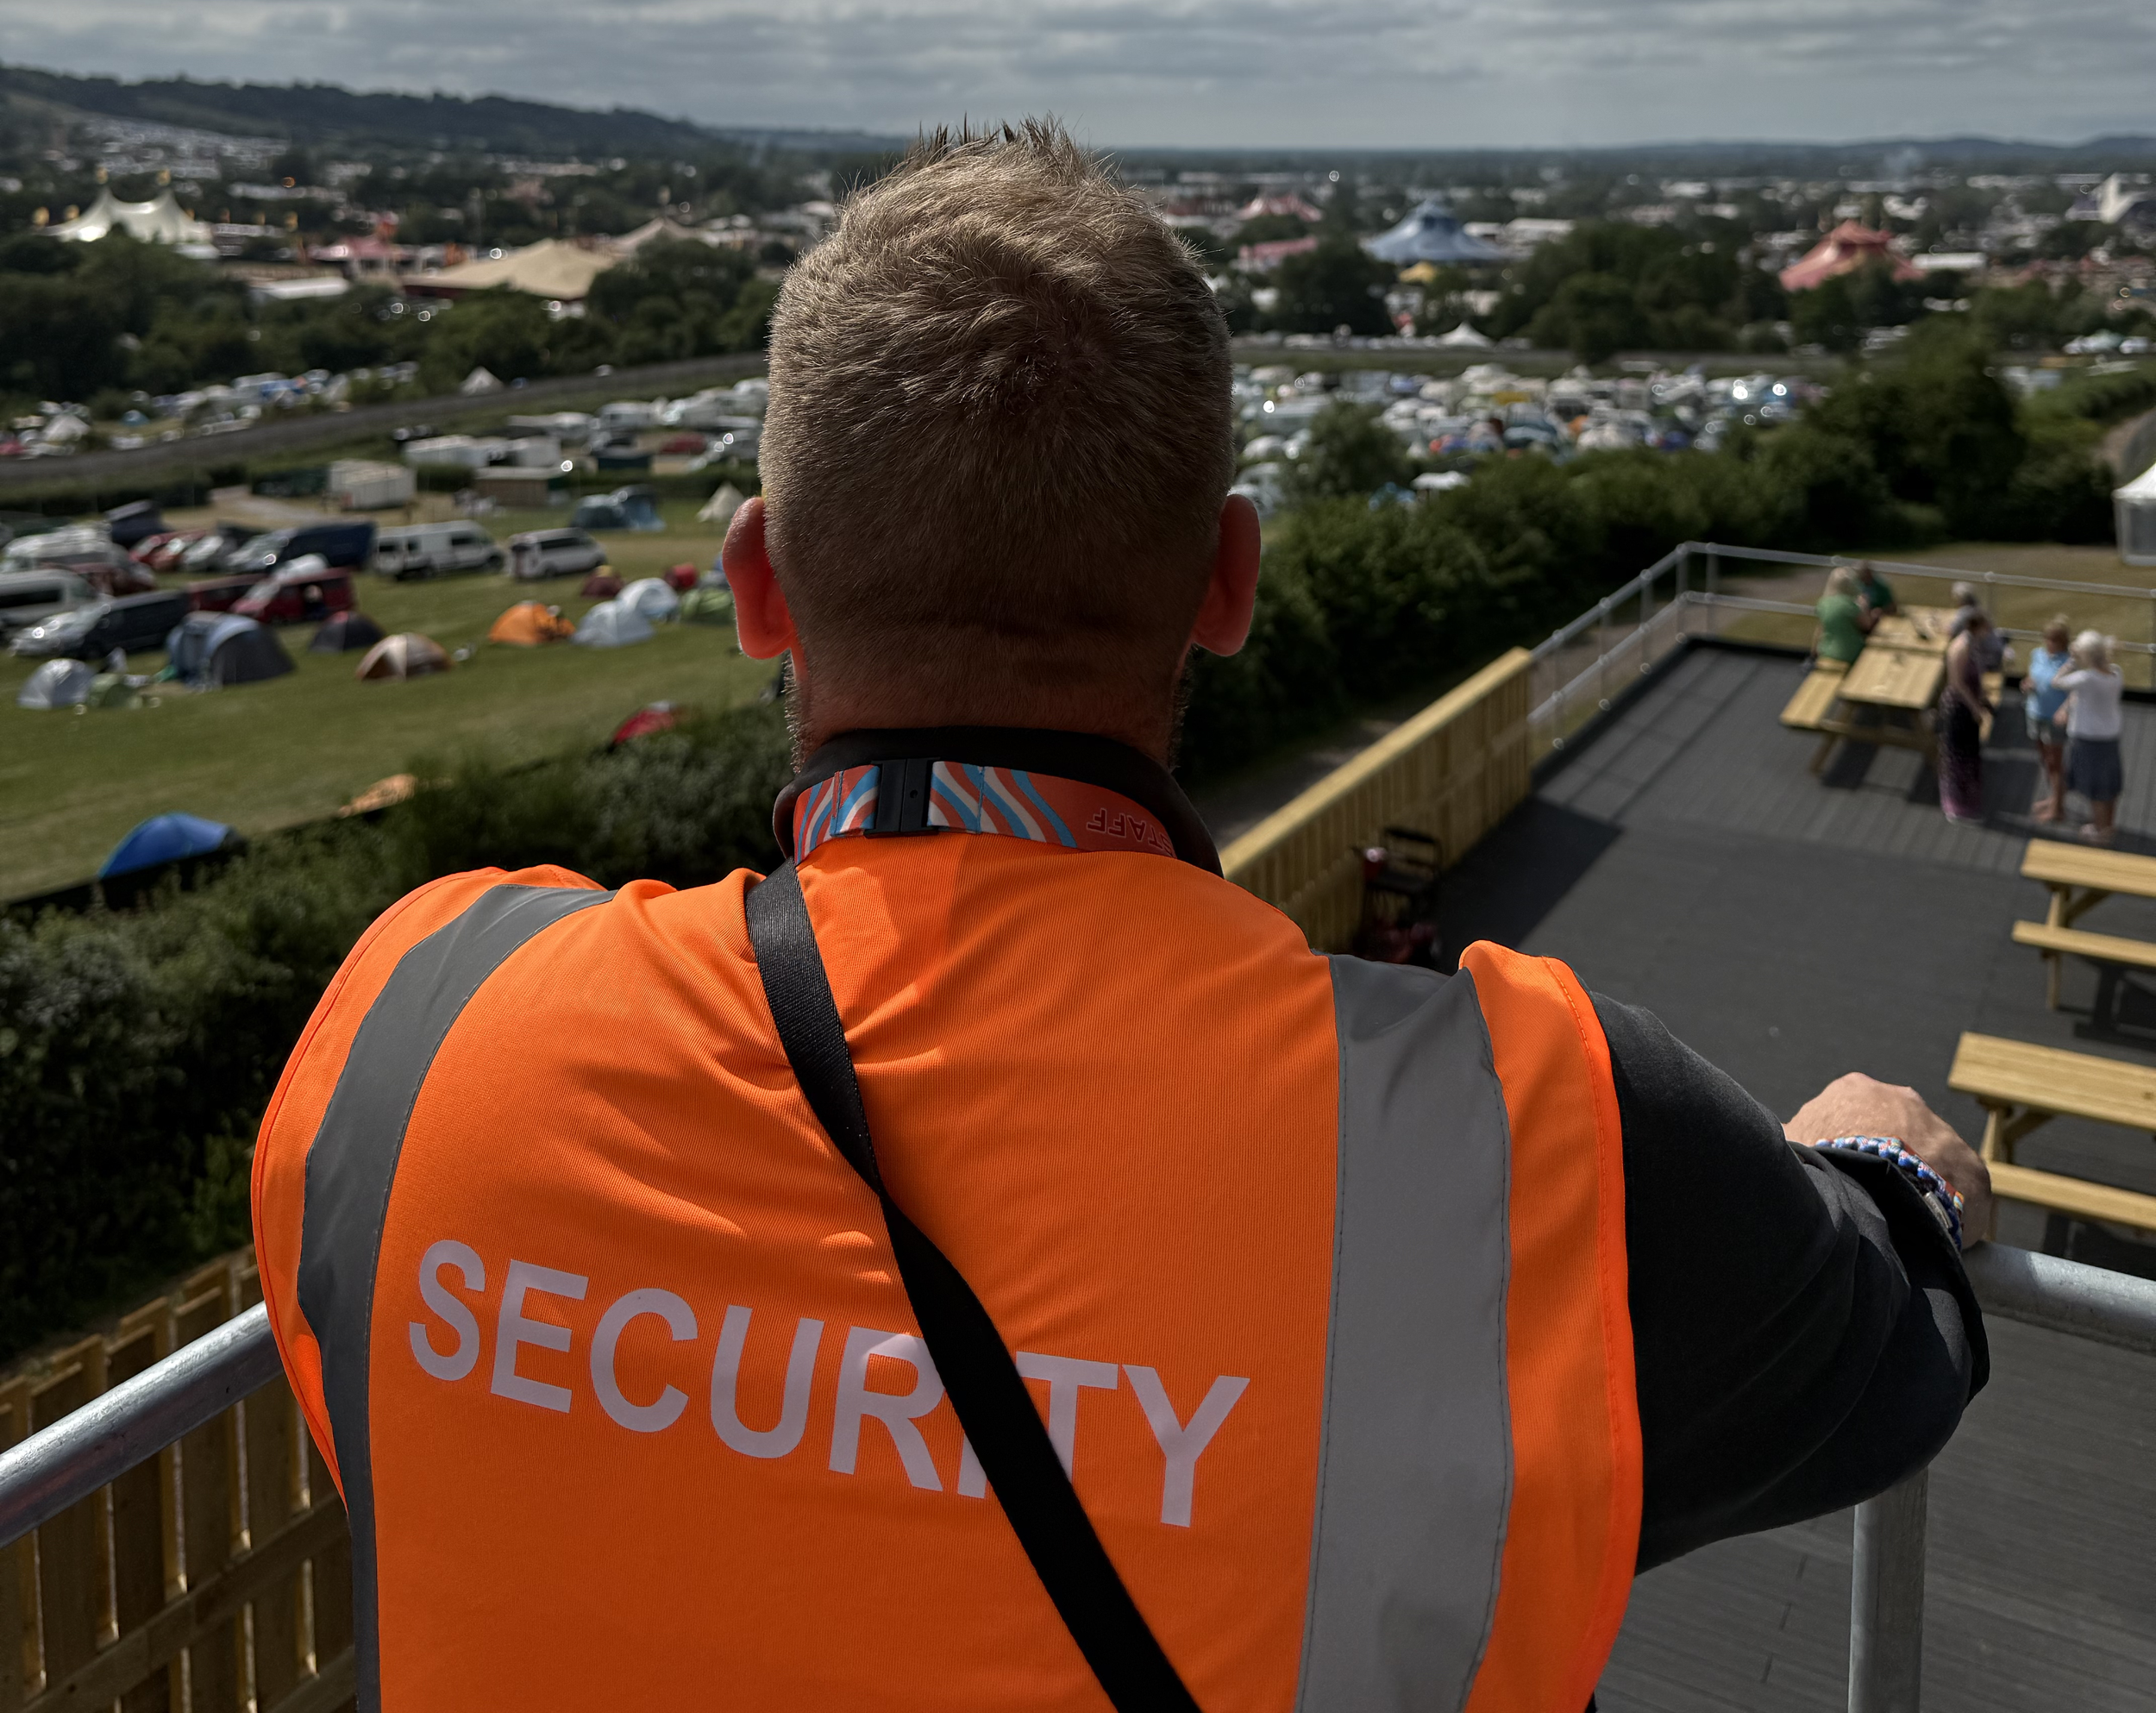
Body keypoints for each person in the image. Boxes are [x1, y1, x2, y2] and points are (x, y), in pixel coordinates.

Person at [250, 126, 1990, 1713]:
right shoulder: (1529, 1142)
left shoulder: (416, 1030)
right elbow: (1874, 1355)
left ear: (757, 582)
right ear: (1225, 580)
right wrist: (1887, 1177)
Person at [2055, 629, 2126, 846]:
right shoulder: (2116, 673)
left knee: (2096, 788)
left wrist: (2071, 661)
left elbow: (2056, 681)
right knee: (2109, 786)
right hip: (2110, 737)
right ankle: (2108, 825)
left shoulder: (2085, 678)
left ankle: (2099, 830)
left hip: (2088, 740)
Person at [1937, 606, 1992, 823]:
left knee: (1969, 753)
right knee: (1958, 755)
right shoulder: (1960, 648)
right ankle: (1956, 806)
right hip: (1960, 708)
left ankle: (1969, 800)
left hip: (1969, 704)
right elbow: (1957, 683)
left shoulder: (1972, 644)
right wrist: (1975, 708)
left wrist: (1983, 698)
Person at [2024, 615, 2074, 825]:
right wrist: (2026, 685)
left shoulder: (2070, 663)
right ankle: (2054, 798)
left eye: (2054, 640)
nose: (2049, 644)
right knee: (2045, 760)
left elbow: (2075, 693)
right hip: (2034, 713)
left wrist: (2064, 711)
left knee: (2055, 763)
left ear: (2063, 641)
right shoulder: (2037, 655)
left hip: (2054, 720)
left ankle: (2058, 809)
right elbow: (2032, 678)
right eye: (2047, 639)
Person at [1814, 564, 1869, 669]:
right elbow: (1866, 625)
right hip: (1851, 653)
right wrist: (1865, 607)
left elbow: (1820, 629)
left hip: (1827, 651)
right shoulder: (1850, 605)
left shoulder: (1823, 603)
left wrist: (1814, 653)